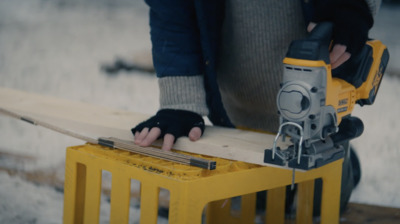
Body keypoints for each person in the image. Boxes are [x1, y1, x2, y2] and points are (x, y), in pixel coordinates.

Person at [132, 0, 380, 215]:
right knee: (249, 201)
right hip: (235, 114)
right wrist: (180, 104)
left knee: (315, 206)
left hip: (318, 120)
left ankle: (348, 163)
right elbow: (172, 10)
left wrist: (353, 5)